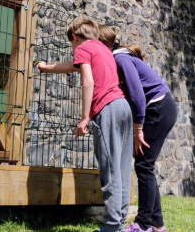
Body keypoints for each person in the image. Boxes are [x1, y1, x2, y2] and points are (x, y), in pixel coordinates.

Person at [35, 17, 133, 232]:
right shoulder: (102, 48)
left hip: (107, 108)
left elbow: (87, 80)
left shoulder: (83, 47)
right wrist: (46, 68)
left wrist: (85, 117)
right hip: (123, 107)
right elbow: (73, 66)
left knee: (110, 172)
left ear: (75, 37)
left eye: (71, 43)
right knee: (123, 170)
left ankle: (112, 227)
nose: (73, 48)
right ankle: (120, 223)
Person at [99, 26, 177, 232]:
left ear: (102, 46)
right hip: (160, 108)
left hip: (159, 108)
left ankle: (143, 225)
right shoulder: (119, 59)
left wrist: (138, 129)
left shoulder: (120, 60)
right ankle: (158, 226)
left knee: (144, 165)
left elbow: (137, 95)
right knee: (145, 165)